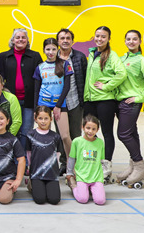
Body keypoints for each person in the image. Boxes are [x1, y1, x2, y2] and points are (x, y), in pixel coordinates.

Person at [114, 30, 144, 187]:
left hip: (131, 102)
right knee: (131, 132)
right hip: (120, 101)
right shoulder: (120, 59)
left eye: (134, 39)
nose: (131, 41)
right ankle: (133, 165)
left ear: (139, 41)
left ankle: (140, 165)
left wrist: (141, 98)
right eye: (128, 39)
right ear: (124, 41)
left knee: (123, 134)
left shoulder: (141, 60)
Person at [83, 26, 126, 182]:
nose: (99, 39)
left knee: (107, 133)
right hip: (89, 100)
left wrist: (106, 86)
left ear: (108, 39)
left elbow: (121, 73)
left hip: (105, 100)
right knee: (88, 133)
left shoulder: (112, 55)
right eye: (97, 36)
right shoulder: (91, 53)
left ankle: (106, 167)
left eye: (103, 37)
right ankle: (89, 162)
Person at [32, 37, 73, 169]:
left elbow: (67, 87)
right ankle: (46, 165)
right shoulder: (40, 67)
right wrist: (36, 109)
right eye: (48, 49)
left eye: (53, 49)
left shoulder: (65, 64)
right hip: (43, 105)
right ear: (44, 50)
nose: (51, 52)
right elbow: (36, 90)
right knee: (44, 138)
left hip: (60, 105)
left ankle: (71, 166)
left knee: (65, 136)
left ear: (58, 49)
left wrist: (58, 106)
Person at [1, 28, 43, 150]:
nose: (20, 39)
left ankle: (23, 161)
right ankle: (11, 159)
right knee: (11, 129)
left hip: (29, 101)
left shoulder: (35, 56)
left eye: (23, 37)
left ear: (27, 40)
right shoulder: (4, 56)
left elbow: (40, 78)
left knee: (26, 131)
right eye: (17, 37)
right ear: (13, 40)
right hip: (10, 101)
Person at [56, 28, 88, 173]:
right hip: (58, 104)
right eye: (62, 38)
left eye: (68, 38)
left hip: (75, 101)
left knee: (75, 135)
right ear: (58, 41)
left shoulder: (80, 57)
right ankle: (64, 162)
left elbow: (85, 78)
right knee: (62, 135)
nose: (65, 40)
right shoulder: (52, 57)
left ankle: (76, 163)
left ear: (72, 41)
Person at [66, 114, 106, 205]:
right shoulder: (77, 141)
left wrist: (103, 175)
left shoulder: (100, 142)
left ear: (97, 130)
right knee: (83, 199)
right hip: (82, 176)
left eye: (93, 129)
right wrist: (69, 173)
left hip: (96, 176)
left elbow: (102, 161)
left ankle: (91, 189)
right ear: (82, 127)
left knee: (100, 201)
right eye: (88, 128)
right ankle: (73, 185)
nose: (90, 131)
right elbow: (72, 158)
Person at [27, 106, 62, 205]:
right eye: (40, 118)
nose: (43, 121)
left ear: (51, 119)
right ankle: (32, 184)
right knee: (40, 199)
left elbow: (58, 155)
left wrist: (55, 169)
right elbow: (29, 154)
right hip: (36, 173)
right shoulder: (30, 134)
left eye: (46, 118)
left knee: (54, 200)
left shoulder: (55, 136)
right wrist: (31, 171)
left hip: (51, 173)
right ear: (35, 119)